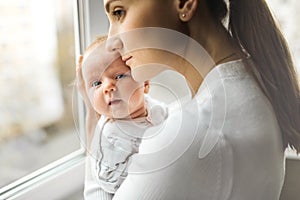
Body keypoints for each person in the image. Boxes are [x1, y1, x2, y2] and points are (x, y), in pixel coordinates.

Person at [78, 0, 300, 199]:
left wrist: (96, 126)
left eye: (119, 12)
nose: (111, 43)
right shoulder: (255, 78)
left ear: (184, 3)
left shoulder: (186, 140)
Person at [76, 36, 168, 199]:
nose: (108, 87)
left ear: (145, 82)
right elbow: (108, 180)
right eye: (97, 83)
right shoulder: (111, 135)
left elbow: (169, 118)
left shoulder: (154, 106)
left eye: (119, 76)